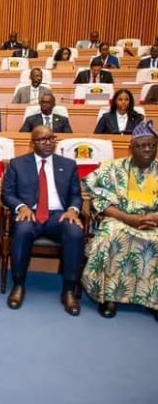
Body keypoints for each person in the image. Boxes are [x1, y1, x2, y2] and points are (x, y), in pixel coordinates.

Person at [2, 126, 85, 315]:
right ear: (32, 143)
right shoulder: (17, 164)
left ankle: (69, 290)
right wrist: (21, 207)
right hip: (29, 213)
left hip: (59, 215)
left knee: (75, 232)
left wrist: (73, 210)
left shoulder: (69, 164)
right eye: (41, 139)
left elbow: (76, 195)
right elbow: (7, 194)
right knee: (22, 230)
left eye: (50, 138)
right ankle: (18, 284)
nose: (47, 143)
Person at [81, 121, 158, 321]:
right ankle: (109, 296)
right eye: (142, 145)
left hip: (155, 222)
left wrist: (154, 218)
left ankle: (154, 299)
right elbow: (100, 201)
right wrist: (128, 218)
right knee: (110, 234)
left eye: (152, 145)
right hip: (121, 219)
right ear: (131, 147)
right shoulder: (113, 169)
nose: (147, 150)